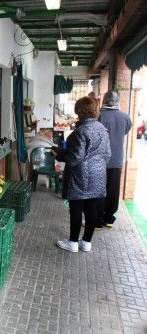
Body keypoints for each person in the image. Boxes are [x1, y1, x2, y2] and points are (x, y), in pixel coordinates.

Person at [53, 97, 111, 252]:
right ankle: (86, 242)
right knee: (92, 208)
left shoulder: (80, 132)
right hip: (98, 174)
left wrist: (59, 156)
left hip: (80, 176)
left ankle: (72, 243)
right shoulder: (102, 129)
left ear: (80, 111)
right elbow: (108, 155)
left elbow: (74, 159)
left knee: (76, 208)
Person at [96, 90, 132, 229]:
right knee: (113, 190)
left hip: (100, 159)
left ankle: (98, 221)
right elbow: (125, 131)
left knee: (99, 189)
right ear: (118, 101)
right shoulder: (125, 117)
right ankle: (109, 219)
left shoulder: (100, 116)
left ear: (105, 100)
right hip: (116, 160)